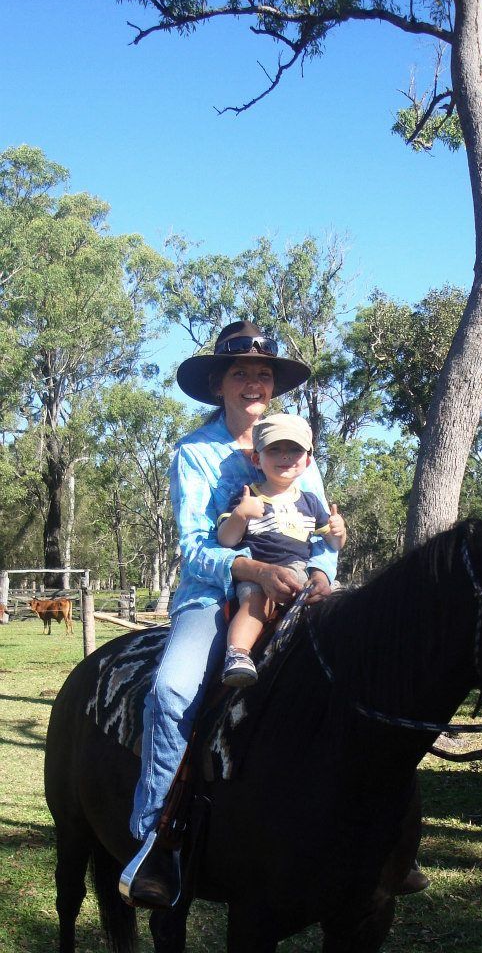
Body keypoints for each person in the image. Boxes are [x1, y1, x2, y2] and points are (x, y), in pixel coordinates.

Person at [119, 321, 338, 908]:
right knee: (172, 691)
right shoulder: (195, 453)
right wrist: (254, 570)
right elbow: (194, 548)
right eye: (240, 372)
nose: (253, 383)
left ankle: (379, 832)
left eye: (263, 373)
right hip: (212, 596)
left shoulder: (298, 448)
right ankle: (155, 839)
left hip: (299, 590)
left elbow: (321, 532)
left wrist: (322, 574)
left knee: (364, 669)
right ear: (219, 383)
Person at [217, 412, 347, 688]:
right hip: (258, 571)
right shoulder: (246, 496)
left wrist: (339, 531)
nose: (285, 456)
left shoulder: (311, 502)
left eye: (295, 450)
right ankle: (238, 654)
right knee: (256, 602)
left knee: (340, 602)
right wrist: (241, 515)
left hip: (301, 571)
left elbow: (333, 544)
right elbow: (226, 540)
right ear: (257, 459)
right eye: (274, 449)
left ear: (307, 461)